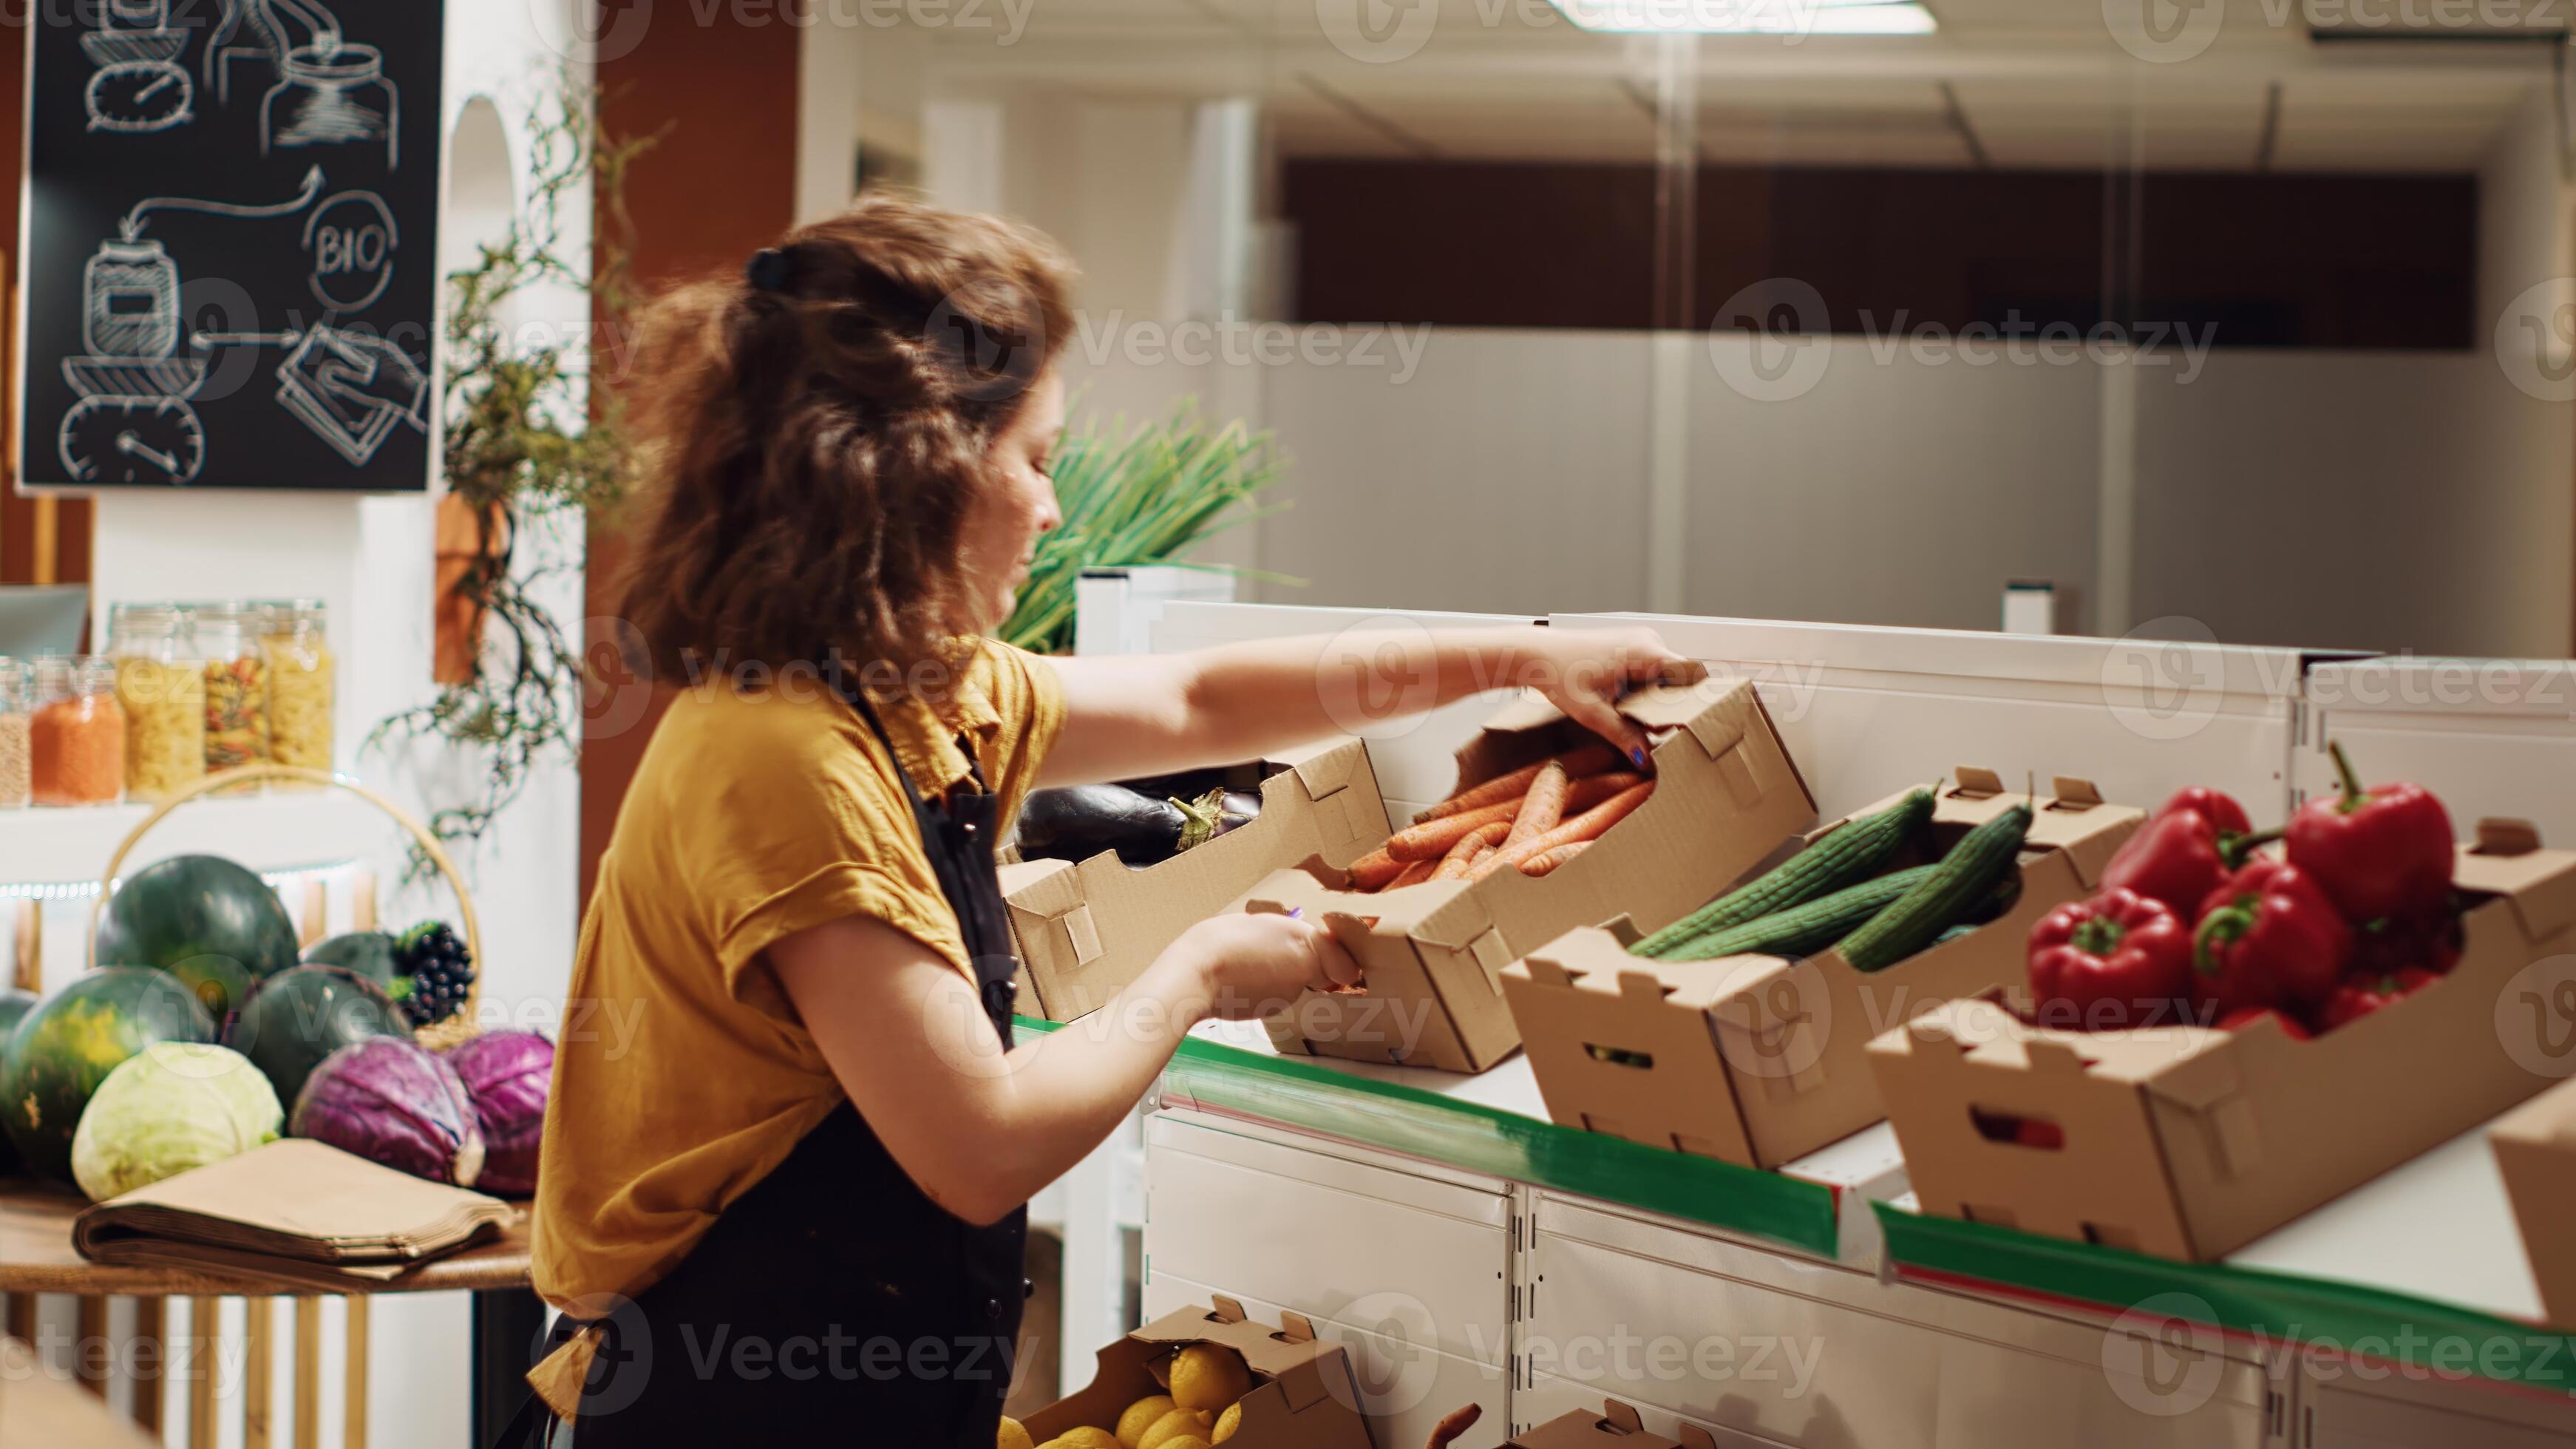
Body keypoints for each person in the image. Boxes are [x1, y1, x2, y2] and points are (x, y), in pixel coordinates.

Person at [522, 191, 1685, 1446]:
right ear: (918, 475)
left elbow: (1196, 699)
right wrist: (1197, 973)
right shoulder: (787, 761)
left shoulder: (900, 690)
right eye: (1034, 462)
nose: (1052, 510)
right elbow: (978, 1142)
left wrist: (1521, 657)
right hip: (720, 1401)